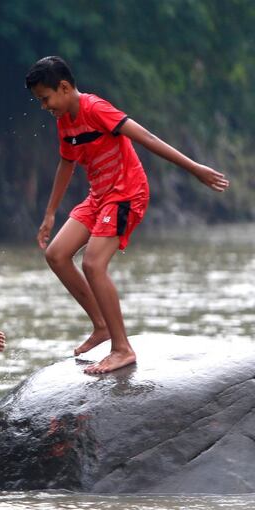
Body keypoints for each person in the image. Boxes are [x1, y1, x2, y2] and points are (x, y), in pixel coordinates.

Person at [25, 56, 229, 374]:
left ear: (64, 87)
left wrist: (195, 168)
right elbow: (66, 163)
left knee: (93, 263)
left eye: (45, 98)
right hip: (99, 196)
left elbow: (146, 138)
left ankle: (122, 348)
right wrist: (50, 214)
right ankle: (101, 326)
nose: (44, 106)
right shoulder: (64, 121)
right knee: (57, 254)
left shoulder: (96, 108)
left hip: (127, 194)